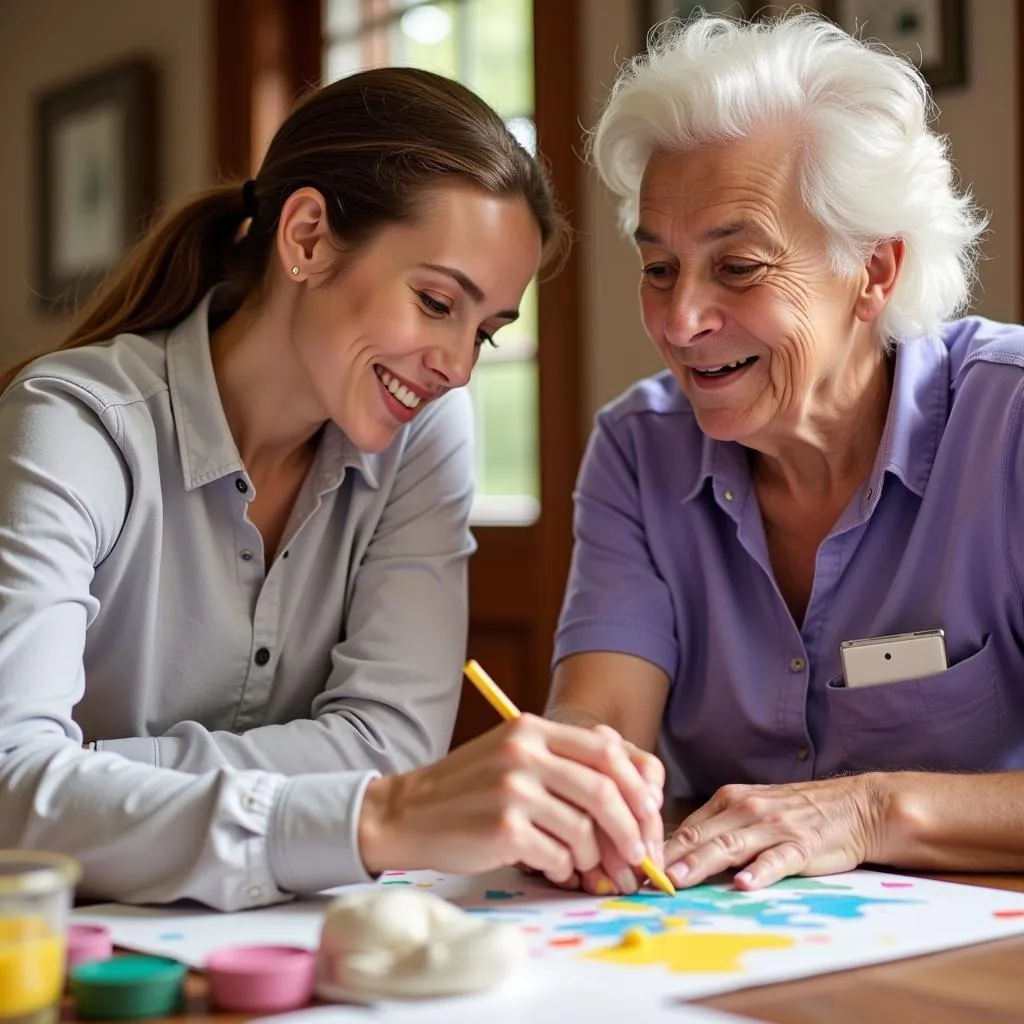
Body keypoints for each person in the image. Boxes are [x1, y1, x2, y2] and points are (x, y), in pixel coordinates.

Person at [0, 67, 664, 910]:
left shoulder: (422, 436)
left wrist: (96, 776)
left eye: (486, 333)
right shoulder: (75, 425)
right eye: (434, 302)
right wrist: (374, 813)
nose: (457, 368)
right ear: (308, 236)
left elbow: (393, 743)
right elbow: (11, 790)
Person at [545, 11, 1024, 895]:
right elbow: (601, 723)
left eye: (738, 268)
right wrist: (578, 792)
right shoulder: (636, 450)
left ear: (874, 271)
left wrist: (868, 809)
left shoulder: (1012, 420)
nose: (681, 322)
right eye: (659, 269)